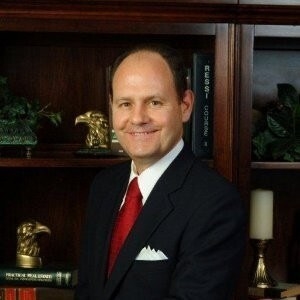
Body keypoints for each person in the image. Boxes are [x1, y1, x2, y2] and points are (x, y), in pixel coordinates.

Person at [75, 44, 246, 300]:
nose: (137, 118)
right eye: (125, 104)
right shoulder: (104, 186)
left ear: (185, 105)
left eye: (154, 102)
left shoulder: (216, 203)